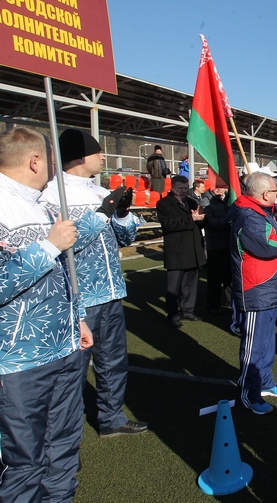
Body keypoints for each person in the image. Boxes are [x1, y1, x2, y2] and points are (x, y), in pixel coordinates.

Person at [0, 127, 104, 502]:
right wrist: (47, 245)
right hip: (17, 361)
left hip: (64, 347)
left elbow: (64, 270)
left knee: (63, 448)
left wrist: (76, 316)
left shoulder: (42, 204)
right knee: (24, 462)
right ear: (34, 161)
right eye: (50, 159)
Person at [39, 129, 149, 439]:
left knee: (113, 361)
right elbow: (67, 245)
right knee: (72, 372)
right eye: (96, 152)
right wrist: (102, 214)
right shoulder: (52, 196)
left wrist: (123, 213)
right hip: (79, 297)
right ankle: (63, 437)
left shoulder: (101, 192)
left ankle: (111, 418)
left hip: (112, 292)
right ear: (77, 157)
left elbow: (125, 239)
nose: (103, 157)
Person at [229, 172, 277, 414]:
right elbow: (272, 245)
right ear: (263, 194)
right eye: (274, 191)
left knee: (267, 342)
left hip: (268, 288)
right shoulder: (248, 216)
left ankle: (265, 382)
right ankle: (249, 393)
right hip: (256, 289)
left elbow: (268, 233)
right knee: (254, 345)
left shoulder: (256, 212)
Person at [156, 175, 206, 328]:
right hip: (176, 251)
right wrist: (192, 219)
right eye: (180, 188)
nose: (184, 191)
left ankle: (188, 311)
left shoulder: (191, 202)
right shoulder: (164, 204)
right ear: (172, 187)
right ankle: (172, 315)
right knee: (174, 287)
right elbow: (169, 224)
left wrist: (202, 217)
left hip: (192, 249)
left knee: (190, 284)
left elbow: (199, 224)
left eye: (185, 188)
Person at [203, 185, 233, 316]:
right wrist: (228, 222)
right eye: (217, 187)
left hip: (228, 245)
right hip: (214, 245)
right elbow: (209, 222)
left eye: (222, 187)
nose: (220, 190)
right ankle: (213, 304)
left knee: (229, 277)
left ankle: (229, 300)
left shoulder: (229, 201)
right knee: (214, 278)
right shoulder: (206, 201)